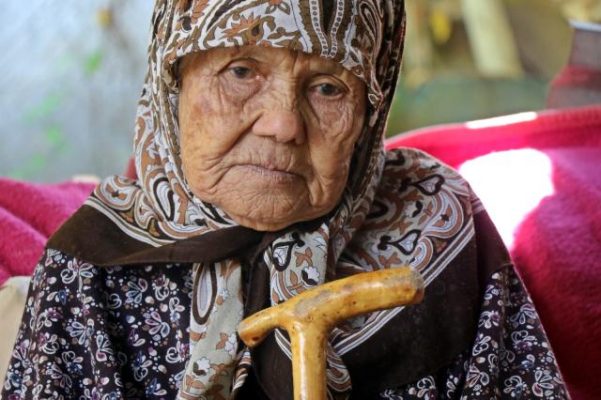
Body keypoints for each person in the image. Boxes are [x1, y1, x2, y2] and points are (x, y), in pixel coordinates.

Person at [2, 1, 569, 399]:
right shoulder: (92, 267)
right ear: (173, 84)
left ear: (369, 113)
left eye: (327, 87)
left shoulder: (437, 224)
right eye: (241, 71)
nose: (283, 124)